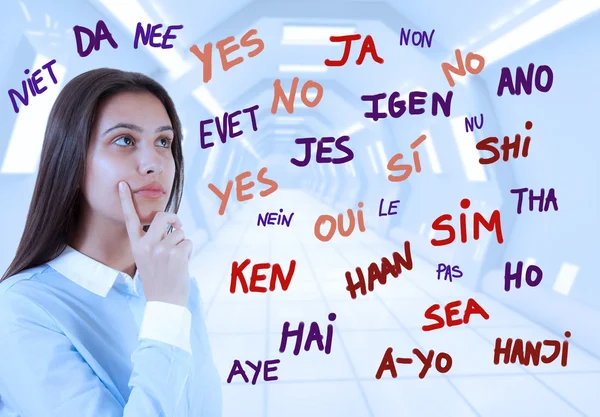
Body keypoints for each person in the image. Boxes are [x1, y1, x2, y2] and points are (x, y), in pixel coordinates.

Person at [0, 68, 222, 416]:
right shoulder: (19, 311)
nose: (154, 163)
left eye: (164, 142)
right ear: (71, 159)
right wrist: (164, 312)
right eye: (125, 140)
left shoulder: (176, 285)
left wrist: (169, 301)